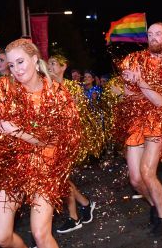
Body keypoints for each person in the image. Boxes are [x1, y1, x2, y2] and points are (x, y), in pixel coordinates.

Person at [0, 39, 81, 247]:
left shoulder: (55, 92)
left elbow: (54, 140)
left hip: (46, 166)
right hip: (12, 163)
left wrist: (16, 131)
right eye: (11, 65)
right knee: (1, 238)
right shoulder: (4, 87)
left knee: (41, 234)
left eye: (20, 62)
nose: (16, 70)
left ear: (35, 60)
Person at [114, 22, 162, 236]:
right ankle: (154, 204)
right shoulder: (133, 59)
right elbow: (126, 93)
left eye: (158, 34)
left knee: (147, 172)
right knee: (135, 179)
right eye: (150, 34)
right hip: (136, 121)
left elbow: (161, 102)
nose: (153, 37)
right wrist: (131, 85)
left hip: (158, 121)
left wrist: (141, 82)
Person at [47, 54, 98, 234]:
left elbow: (78, 116)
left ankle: (74, 217)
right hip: (52, 140)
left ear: (63, 66)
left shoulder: (72, 88)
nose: (50, 66)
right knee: (62, 178)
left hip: (67, 140)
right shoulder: (47, 87)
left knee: (61, 178)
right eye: (48, 64)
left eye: (53, 64)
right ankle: (85, 203)